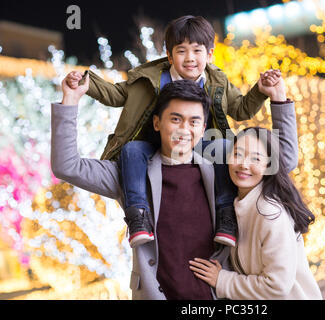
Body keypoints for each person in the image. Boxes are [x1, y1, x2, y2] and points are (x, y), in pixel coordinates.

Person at [51, 74, 298, 299]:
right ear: (157, 123)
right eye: (175, 119)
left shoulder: (224, 173)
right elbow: (68, 166)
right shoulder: (132, 175)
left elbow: (279, 161)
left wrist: (278, 99)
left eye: (193, 122)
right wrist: (70, 101)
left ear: (203, 129)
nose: (183, 130)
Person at [65, 15, 280, 248]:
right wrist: (89, 83)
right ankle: (138, 215)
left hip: (199, 143)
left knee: (223, 146)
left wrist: (260, 91)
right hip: (152, 142)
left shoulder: (217, 80)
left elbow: (240, 109)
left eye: (197, 51)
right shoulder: (148, 78)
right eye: (181, 51)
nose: (190, 58)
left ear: (209, 54)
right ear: (169, 55)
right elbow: (116, 95)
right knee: (131, 151)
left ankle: (226, 215)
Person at [189, 77, 323, 300]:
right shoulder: (238, 204)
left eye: (255, 158)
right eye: (238, 154)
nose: (243, 164)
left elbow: (275, 285)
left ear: (269, 165)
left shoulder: (269, 214)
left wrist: (222, 280)